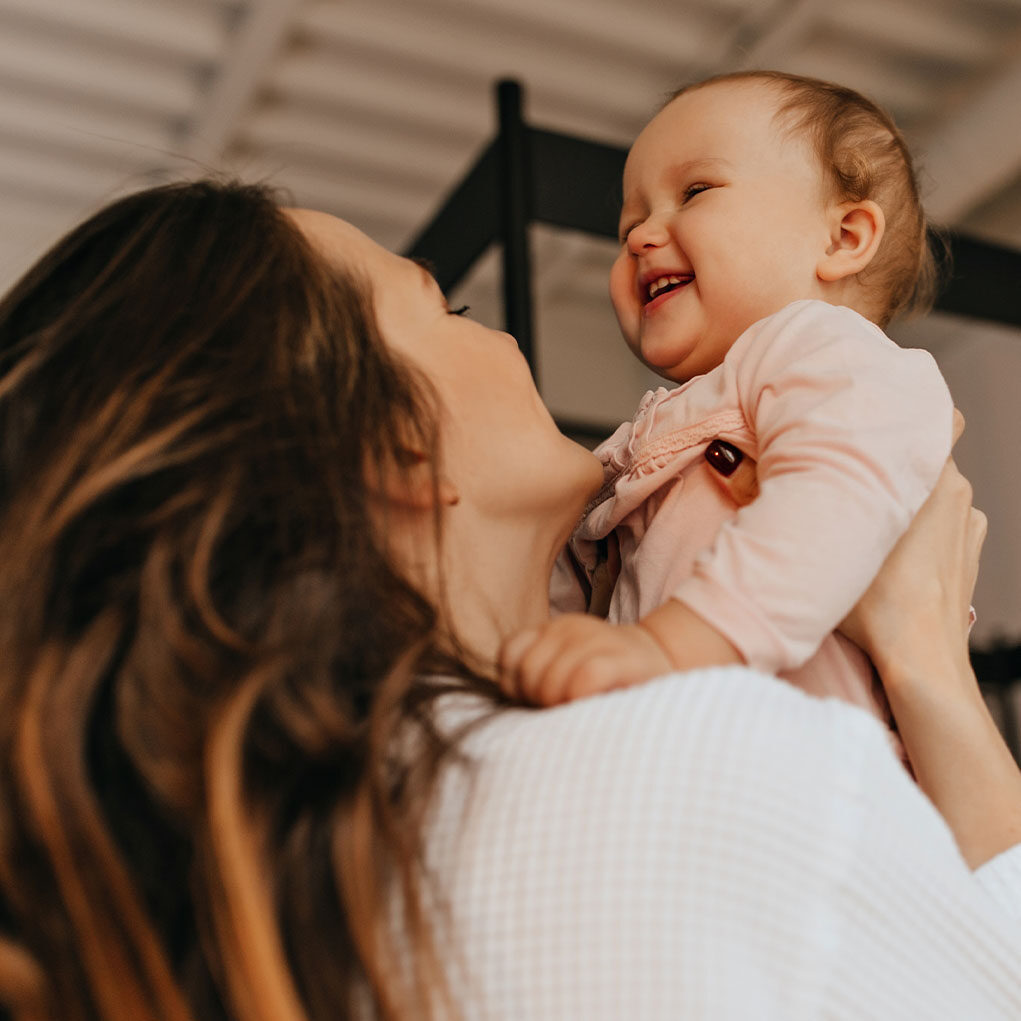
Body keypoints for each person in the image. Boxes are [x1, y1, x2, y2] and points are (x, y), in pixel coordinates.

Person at [0, 180, 1019, 1021]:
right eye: (447, 311)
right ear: (397, 442)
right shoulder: (697, 773)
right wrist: (929, 665)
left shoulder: (236, 902)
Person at [499, 72, 954, 748]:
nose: (640, 236)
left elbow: (832, 501)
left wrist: (678, 645)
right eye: (628, 223)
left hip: (808, 762)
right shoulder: (671, 422)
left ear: (843, 238)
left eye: (695, 192)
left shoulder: (829, 355)